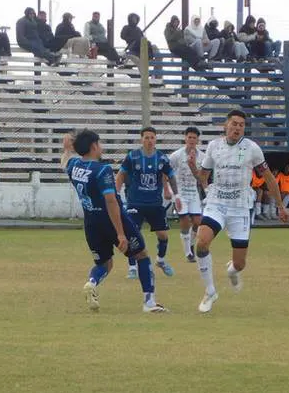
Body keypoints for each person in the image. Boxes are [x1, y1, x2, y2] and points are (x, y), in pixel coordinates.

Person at [193, 109, 289, 313]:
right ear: (225, 125)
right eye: (234, 123)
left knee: (240, 263)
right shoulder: (214, 146)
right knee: (201, 243)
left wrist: (280, 205)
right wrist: (206, 187)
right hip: (216, 204)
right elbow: (203, 174)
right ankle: (210, 291)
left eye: (241, 125)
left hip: (239, 208)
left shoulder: (252, 148)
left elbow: (268, 177)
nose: (237, 128)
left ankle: (232, 271)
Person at [61, 130, 167, 313]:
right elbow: (111, 201)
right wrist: (120, 233)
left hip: (91, 223)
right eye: (99, 144)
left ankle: (92, 282)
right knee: (142, 254)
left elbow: (65, 160)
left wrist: (66, 149)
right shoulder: (103, 170)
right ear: (94, 146)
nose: (101, 147)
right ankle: (149, 302)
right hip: (111, 220)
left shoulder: (74, 166)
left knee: (105, 263)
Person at [116, 126, 181, 280]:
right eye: (146, 137)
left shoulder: (162, 158)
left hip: (155, 203)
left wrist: (176, 195)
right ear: (141, 139)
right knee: (132, 235)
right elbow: (120, 175)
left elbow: (170, 176)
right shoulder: (132, 157)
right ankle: (132, 267)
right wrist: (116, 194)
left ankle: (161, 260)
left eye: (152, 137)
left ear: (155, 139)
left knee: (163, 235)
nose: (149, 140)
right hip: (135, 203)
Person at [168, 126, 205, 263]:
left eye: (194, 138)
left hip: (193, 192)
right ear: (185, 138)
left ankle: (190, 242)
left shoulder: (202, 156)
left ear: (197, 140)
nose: (191, 140)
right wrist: (168, 189)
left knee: (197, 221)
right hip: (180, 192)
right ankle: (188, 252)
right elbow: (167, 172)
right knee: (184, 220)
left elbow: (203, 176)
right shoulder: (176, 155)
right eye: (189, 137)